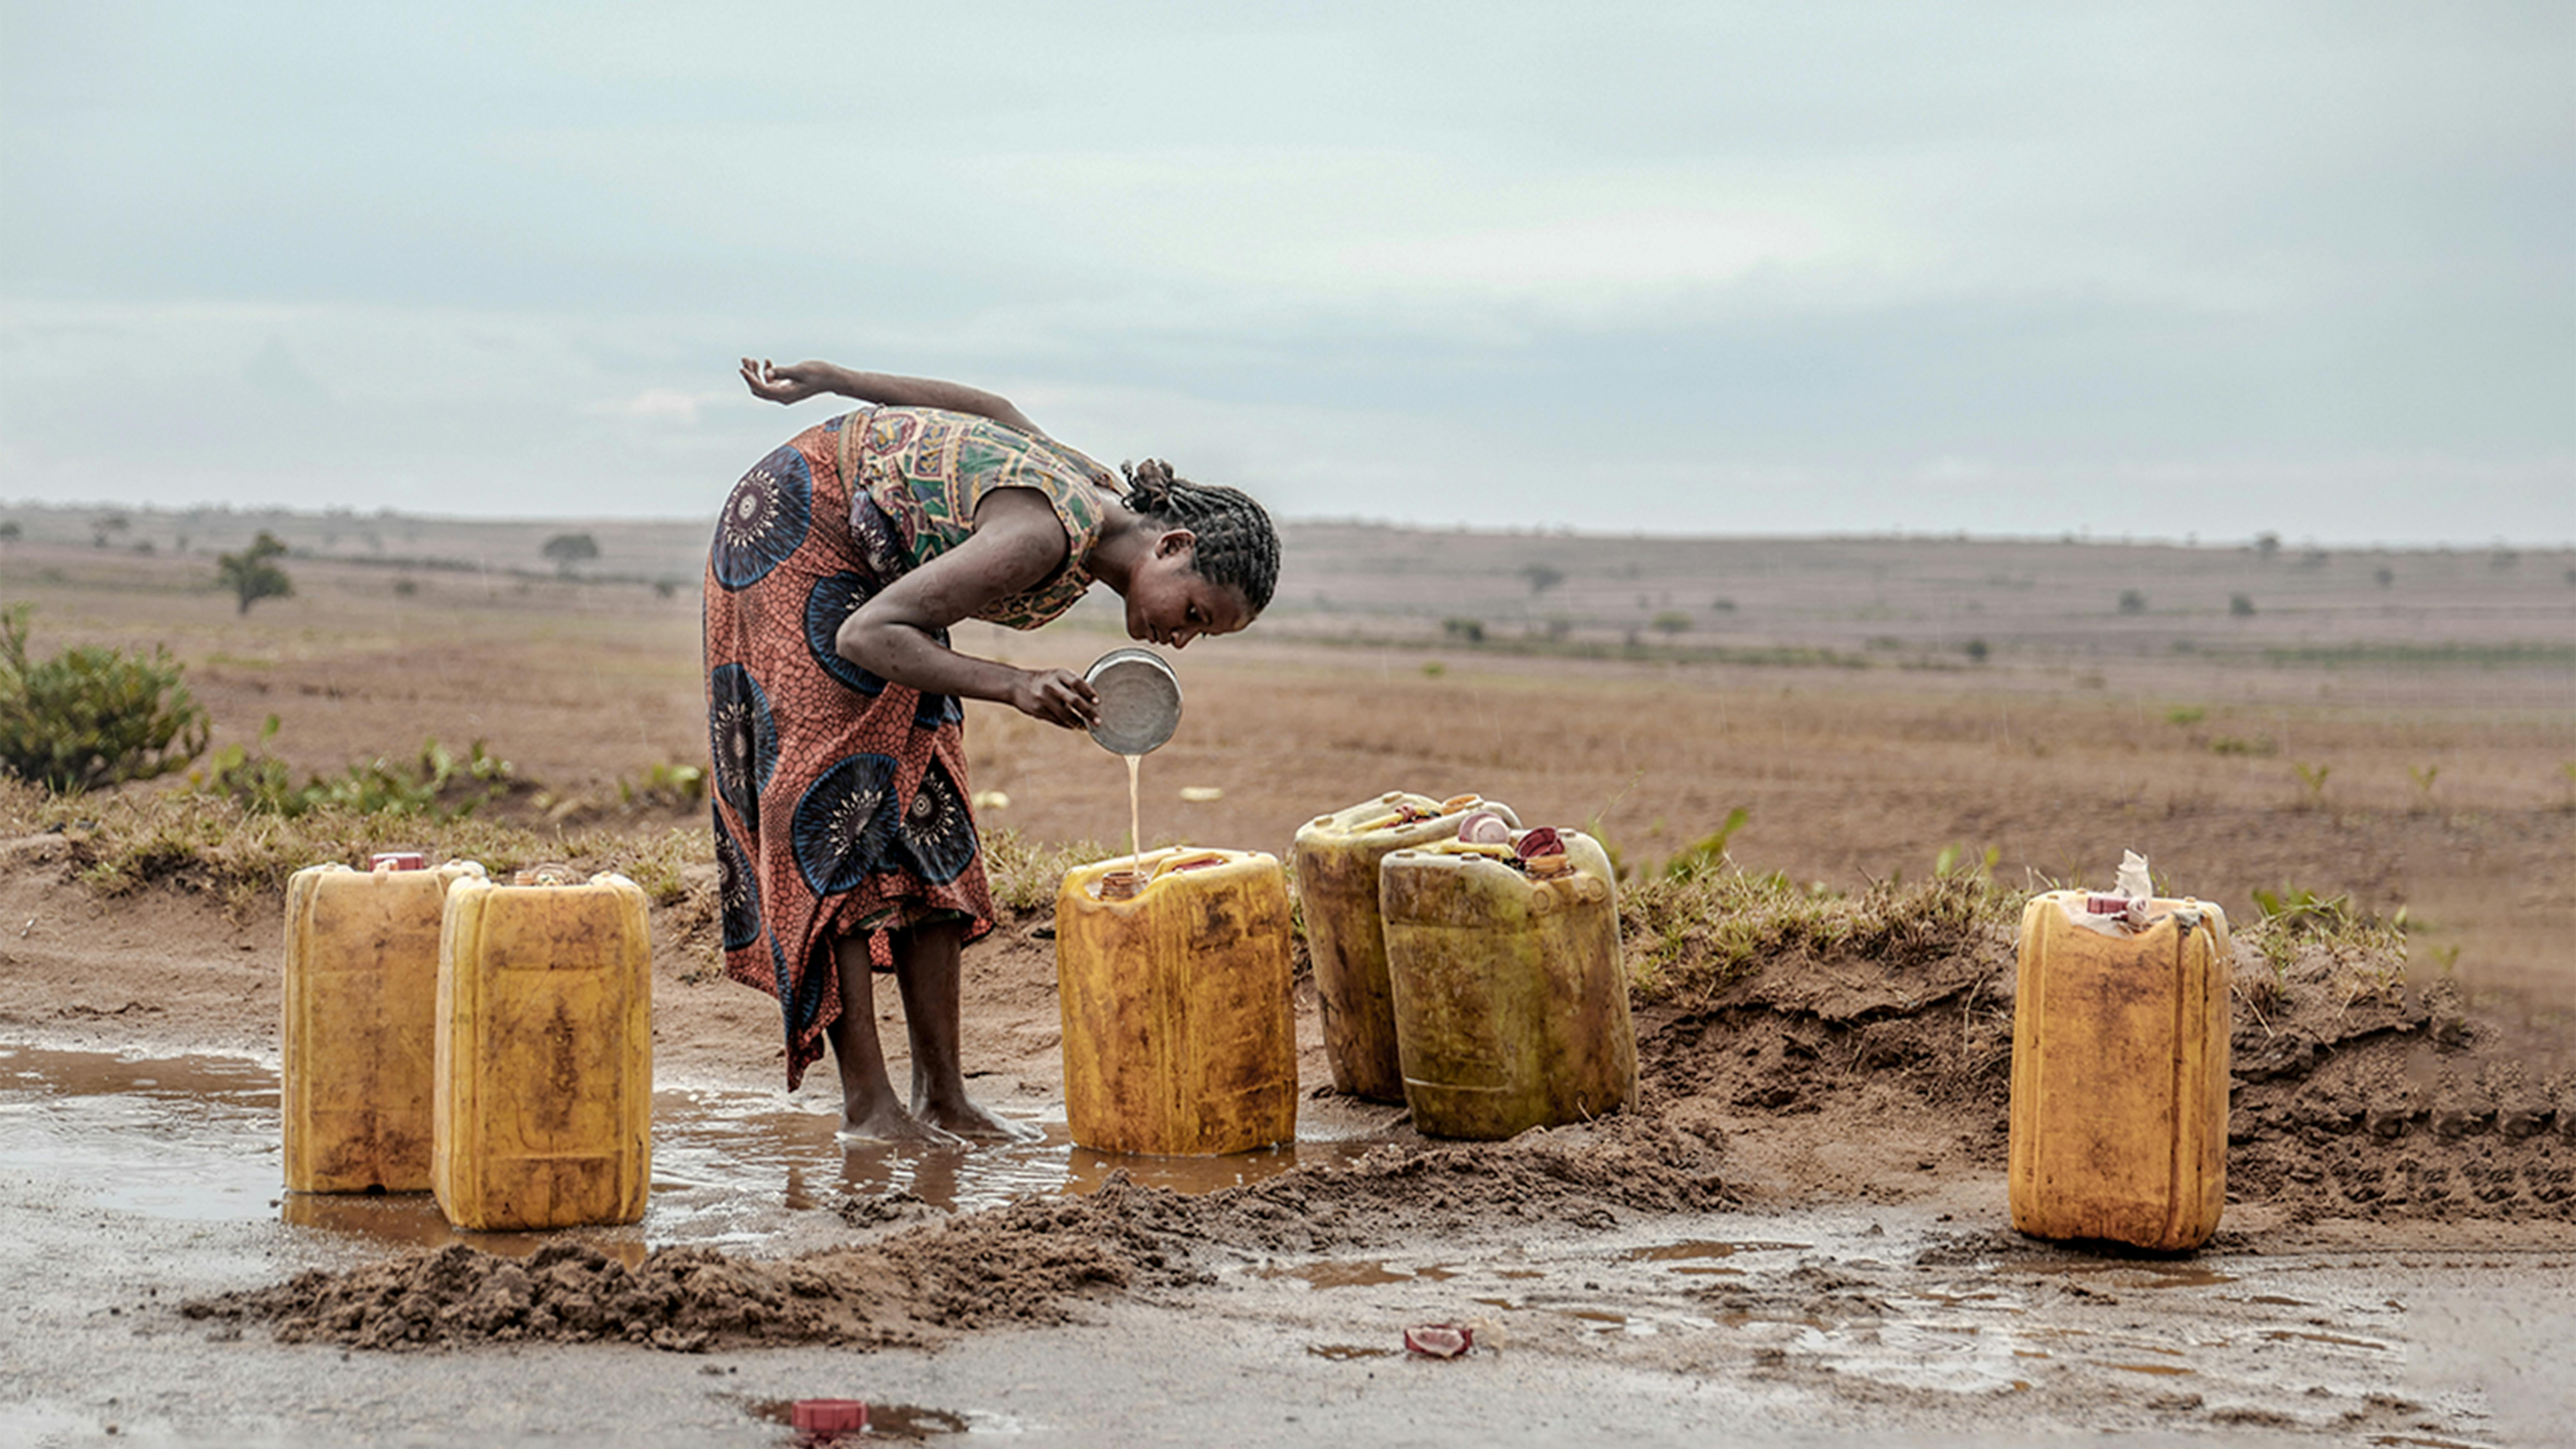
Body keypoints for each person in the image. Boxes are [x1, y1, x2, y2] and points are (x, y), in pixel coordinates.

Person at [704, 358, 1279, 1143]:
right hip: (806, 530)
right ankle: (870, 1110)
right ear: (1174, 544)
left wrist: (838, 381)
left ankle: (945, 1096)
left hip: (884, 566)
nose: (1180, 638)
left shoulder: (1090, 496)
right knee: (833, 806)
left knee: (931, 807)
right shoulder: (1045, 533)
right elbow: (867, 635)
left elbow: (989, 408)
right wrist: (1011, 685)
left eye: (1196, 634)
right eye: (1194, 614)